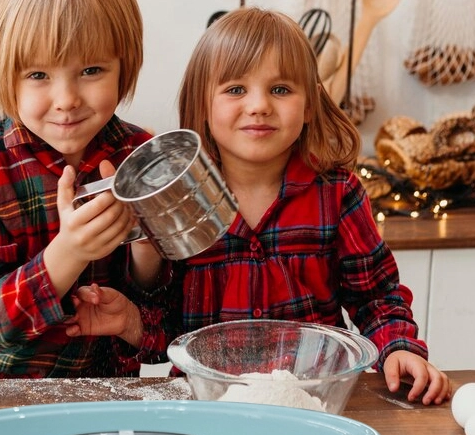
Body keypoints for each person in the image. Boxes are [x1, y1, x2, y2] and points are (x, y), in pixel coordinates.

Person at [67, 7, 452, 404]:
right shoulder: (181, 199)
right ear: (203, 104)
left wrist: (398, 347)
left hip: (311, 400)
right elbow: (164, 331)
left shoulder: (337, 193)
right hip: (208, 404)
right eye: (236, 90)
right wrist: (132, 311)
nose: (259, 106)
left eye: (280, 89)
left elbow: (376, 296)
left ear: (309, 105)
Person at [0, 0, 168, 379]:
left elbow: (162, 321)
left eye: (91, 70)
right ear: (4, 77)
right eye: (38, 74)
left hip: (98, 391)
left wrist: (147, 244)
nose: (67, 100)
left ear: (125, 67)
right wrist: (71, 251)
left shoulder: (141, 156)